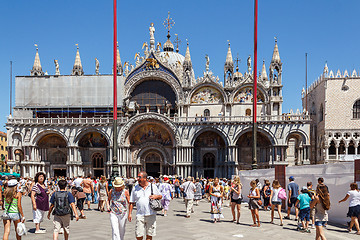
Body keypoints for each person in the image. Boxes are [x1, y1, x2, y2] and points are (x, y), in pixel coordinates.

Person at [128, 171, 162, 240]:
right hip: (140, 215)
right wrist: (129, 214)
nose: (137, 178)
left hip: (151, 214)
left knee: (149, 235)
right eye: (137, 177)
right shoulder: (135, 188)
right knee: (138, 235)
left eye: (139, 177)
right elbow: (131, 202)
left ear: (145, 178)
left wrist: (156, 196)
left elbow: (160, 196)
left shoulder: (153, 186)